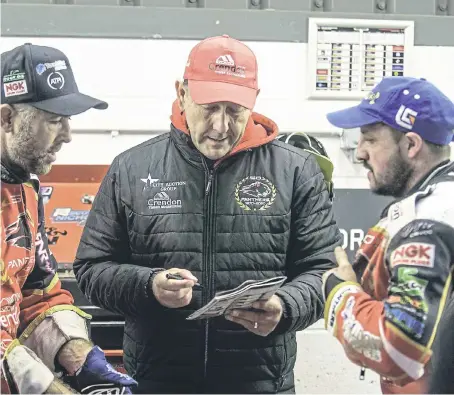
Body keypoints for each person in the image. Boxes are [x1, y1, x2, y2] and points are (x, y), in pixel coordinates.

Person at [73, 34, 342, 394]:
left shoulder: (296, 171)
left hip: (260, 384)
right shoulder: (131, 168)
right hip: (158, 383)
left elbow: (324, 270)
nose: (220, 126)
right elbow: (92, 268)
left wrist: (286, 306)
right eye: (209, 107)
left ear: (254, 102)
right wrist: (148, 285)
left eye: (234, 111)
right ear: (181, 94)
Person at [1, 43, 137, 394]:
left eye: (68, 120)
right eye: (53, 120)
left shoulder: (25, 189)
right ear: (6, 119)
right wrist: (51, 389)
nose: (67, 135)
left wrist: (80, 355)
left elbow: (38, 294)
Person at [321, 76, 454, 394]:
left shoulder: (430, 220)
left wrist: (339, 294)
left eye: (370, 139)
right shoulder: (436, 203)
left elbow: (398, 350)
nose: (360, 154)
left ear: (411, 145)